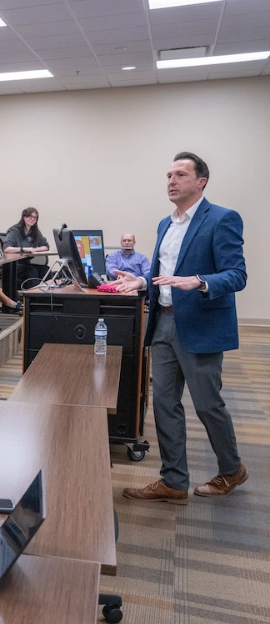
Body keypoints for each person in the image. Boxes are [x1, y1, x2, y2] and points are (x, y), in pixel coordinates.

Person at [116, 152, 247, 504]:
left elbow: (237, 275)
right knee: (164, 404)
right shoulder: (165, 224)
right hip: (163, 322)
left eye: (180, 175)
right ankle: (173, 481)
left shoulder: (222, 219)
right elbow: (164, 274)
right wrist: (142, 282)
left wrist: (199, 281)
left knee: (207, 405)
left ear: (200, 181)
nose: (171, 181)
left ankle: (232, 469)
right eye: (169, 175)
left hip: (201, 325)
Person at [2, 206, 50, 284]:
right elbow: (6, 249)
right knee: (32, 271)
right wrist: (24, 249)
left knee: (46, 270)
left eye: (35, 217)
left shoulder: (34, 231)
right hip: (13, 265)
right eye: (30, 216)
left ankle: (48, 295)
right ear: (24, 217)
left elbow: (46, 246)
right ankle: (33, 295)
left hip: (25, 264)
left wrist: (34, 249)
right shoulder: (14, 231)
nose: (33, 219)